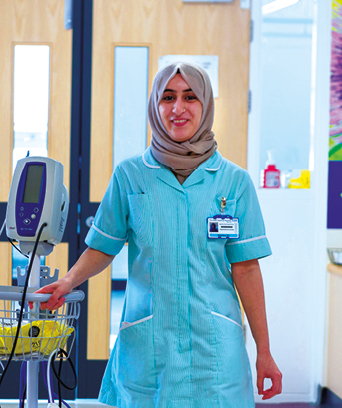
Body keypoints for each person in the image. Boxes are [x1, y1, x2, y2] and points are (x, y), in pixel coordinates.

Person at [37, 62, 282, 407]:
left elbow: (245, 268)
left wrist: (265, 351)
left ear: (206, 105)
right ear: (155, 104)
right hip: (148, 344)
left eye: (190, 97)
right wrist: (69, 281)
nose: (178, 108)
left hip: (213, 350)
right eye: (168, 97)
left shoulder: (234, 181)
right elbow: (103, 246)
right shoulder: (130, 175)